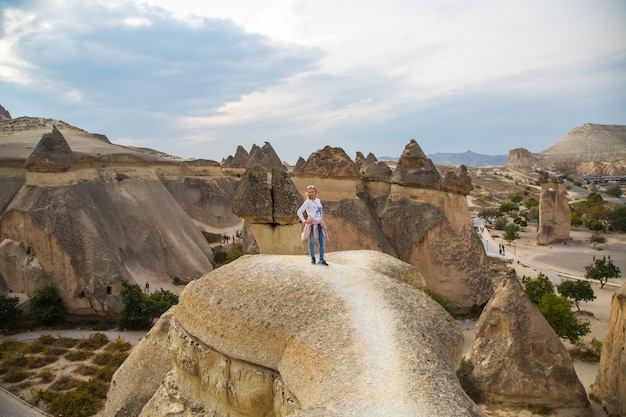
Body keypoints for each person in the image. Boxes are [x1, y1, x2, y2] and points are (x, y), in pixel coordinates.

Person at [297, 185, 329, 265]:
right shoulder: (307, 202)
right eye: (310, 192)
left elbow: (319, 211)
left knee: (322, 242)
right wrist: (304, 221)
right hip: (311, 224)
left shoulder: (318, 200)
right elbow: (299, 211)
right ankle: (313, 258)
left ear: (315, 192)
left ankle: (321, 259)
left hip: (319, 223)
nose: (311, 193)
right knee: (311, 241)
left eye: (312, 192)